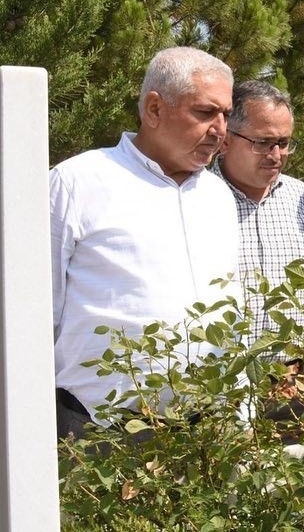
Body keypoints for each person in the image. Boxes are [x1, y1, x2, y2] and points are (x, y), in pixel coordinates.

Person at [51, 46, 239, 438]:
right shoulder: (78, 182)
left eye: (226, 114)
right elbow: (37, 313)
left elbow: (228, 307)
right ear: (154, 109)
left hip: (204, 430)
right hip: (100, 427)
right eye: (205, 112)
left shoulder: (218, 197)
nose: (220, 129)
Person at [212, 81, 304, 358]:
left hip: (295, 381)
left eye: (283, 143)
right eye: (262, 143)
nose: (276, 156)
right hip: (222, 379)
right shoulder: (197, 197)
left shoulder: (303, 199)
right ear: (226, 139)